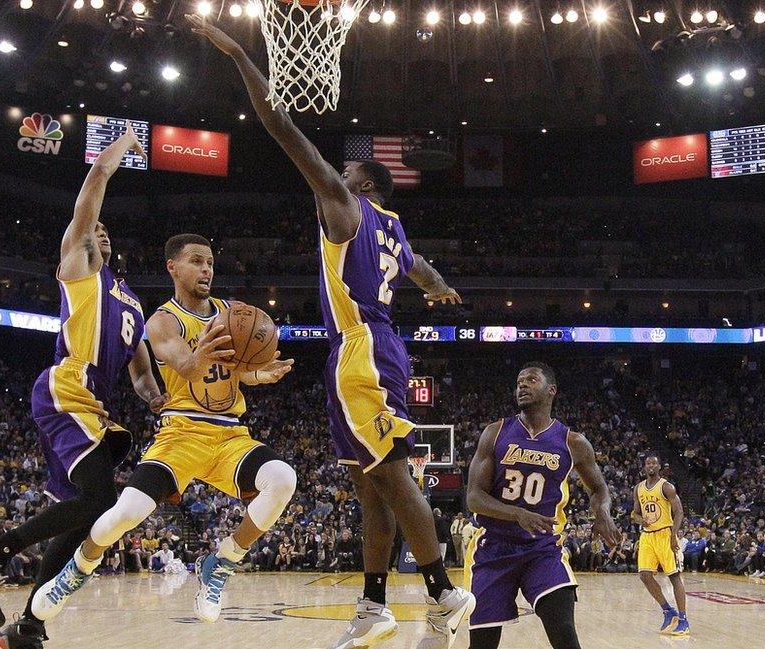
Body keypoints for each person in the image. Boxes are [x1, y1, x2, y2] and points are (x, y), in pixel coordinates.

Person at [185, 16, 474, 649]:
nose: (331, 178)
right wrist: (436, 285)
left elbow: (282, 127)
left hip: (362, 349)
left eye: (344, 174)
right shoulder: (394, 228)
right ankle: (374, 605)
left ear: (359, 185)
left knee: (392, 476)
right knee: (368, 486)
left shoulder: (347, 207)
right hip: (372, 349)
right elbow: (421, 267)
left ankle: (442, 589)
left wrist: (238, 52)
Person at [0, 122, 167, 648]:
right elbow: (94, 184)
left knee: (81, 526)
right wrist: (119, 147)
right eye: (96, 230)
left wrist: (160, 399)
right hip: (67, 386)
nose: (101, 233)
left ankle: (28, 627)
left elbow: (140, 373)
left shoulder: (132, 301)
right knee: (97, 503)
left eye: (108, 233)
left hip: (101, 407)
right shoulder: (79, 268)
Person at [31, 234, 298, 625]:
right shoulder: (162, 321)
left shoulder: (234, 314)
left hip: (229, 435)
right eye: (196, 261)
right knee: (124, 513)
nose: (206, 270)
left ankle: (221, 562)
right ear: (173, 267)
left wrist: (259, 373)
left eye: (209, 262)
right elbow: (186, 366)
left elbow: (239, 371)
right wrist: (203, 352)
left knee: (284, 479)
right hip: (180, 434)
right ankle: (78, 569)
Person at [465, 362, 620, 649]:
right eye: (519, 381)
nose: (522, 385)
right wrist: (517, 514)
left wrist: (602, 511)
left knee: (563, 631)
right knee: (482, 644)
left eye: (531, 380)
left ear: (551, 391)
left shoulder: (573, 443)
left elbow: (599, 488)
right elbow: (474, 497)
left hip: (542, 548)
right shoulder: (495, 432)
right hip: (494, 548)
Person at [633, 455, 690, 635]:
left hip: (665, 533)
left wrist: (674, 535)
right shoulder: (638, 488)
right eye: (648, 463)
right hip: (647, 536)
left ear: (659, 466)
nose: (651, 465)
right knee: (644, 575)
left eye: (654, 463)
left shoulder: (667, 487)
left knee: (674, 576)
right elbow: (634, 514)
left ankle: (683, 619)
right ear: (644, 467)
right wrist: (642, 520)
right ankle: (667, 610)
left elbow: (679, 512)